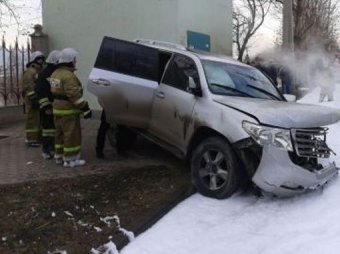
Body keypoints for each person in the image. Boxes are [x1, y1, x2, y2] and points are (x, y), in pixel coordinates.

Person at [50, 48, 91, 167]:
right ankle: (71, 159)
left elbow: (55, 90)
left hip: (57, 109)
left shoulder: (55, 73)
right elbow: (73, 95)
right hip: (68, 110)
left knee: (59, 134)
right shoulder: (68, 76)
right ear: (70, 60)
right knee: (71, 134)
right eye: (75, 60)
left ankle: (59, 156)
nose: (76, 62)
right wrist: (85, 107)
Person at [35, 50, 61, 159]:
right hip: (47, 107)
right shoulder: (45, 74)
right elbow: (41, 92)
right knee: (47, 130)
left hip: (52, 105)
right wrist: (46, 107)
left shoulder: (52, 72)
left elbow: (55, 90)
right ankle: (46, 150)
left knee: (53, 129)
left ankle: (51, 148)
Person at [22, 51, 46, 147]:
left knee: (37, 120)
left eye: (42, 59)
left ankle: (36, 138)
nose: (41, 61)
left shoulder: (37, 71)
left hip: (36, 99)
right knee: (32, 120)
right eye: (39, 59)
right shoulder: (30, 72)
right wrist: (34, 99)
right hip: (31, 100)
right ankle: (31, 140)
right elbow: (29, 87)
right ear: (34, 60)